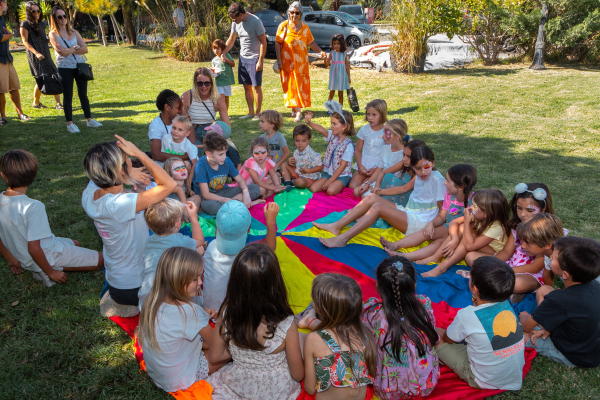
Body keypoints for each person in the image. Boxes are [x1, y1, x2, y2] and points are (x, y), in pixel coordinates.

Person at [82, 136, 176, 312]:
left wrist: (128, 174)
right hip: (134, 287)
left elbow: (98, 168)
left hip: (117, 281)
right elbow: (168, 185)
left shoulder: (89, 195)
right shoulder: (119, 204)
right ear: (120, 170)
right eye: (127, 160)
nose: (130, 161)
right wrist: (140, 154)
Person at [207, 242, 304, 399]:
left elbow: (215, 357)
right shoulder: (286, 323)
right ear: (275, 282)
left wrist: (241, 353)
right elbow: (298, 374)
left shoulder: (227, 313)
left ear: (235, 281)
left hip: (237, 386)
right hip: (277, 391)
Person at [0, 149, 103, 287]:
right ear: (33, 176)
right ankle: (44, 270)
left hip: (24, 255)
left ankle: (42, 267)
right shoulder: (33, 207)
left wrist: (11, 259)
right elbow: (34, 249)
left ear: (3, 176)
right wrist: (51, 272)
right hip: (47, 255)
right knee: (104, 259)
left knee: (76, 243)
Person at [313, 145, 445, 247]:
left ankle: (342, 239)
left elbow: (442, 214)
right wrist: (379, 192)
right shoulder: (421, 175)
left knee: (377, 208)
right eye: (417, 168)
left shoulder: (437, 180)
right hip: (409, 213)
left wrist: (431, 225)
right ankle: (336, 226)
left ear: (433, 162)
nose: (422, 172)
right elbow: (403, 188)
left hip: (419, 223)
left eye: (426, 166)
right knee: (371, 198)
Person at [435, 256, 525, 390]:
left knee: (433, 334)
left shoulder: (467, 315)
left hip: (484, 380)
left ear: (475, 289)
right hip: (513, 375)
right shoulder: (506, 305)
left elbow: (448, 339)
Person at [139, 247, 217, 393]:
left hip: (159, 374)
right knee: (226, 351)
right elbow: (215, 345)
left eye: (201, 276)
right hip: (179, 379)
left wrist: (202, 313)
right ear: (177, 279)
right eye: (195, 279)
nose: (200, 282)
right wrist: (224, 324)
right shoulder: (190, 311)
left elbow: (177, 321)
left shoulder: (152, 299)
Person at [361, 256, 439, 399]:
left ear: (378, 287)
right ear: (414, 285)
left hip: (388, 393)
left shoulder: (373, 313)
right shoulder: (425, 304)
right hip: (426, 386)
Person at [519, 236, 600, 368]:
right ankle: (545, 327)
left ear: (566, 274)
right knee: (544, 289)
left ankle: (544, 328)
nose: (550, 257)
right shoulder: (594, 284)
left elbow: (526, 327)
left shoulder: (559, 300)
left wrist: (524, 318)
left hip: (574, 355)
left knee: (516, 334)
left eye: (554, 258)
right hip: (589, 344)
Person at [382, 164, 477, 263]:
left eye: (448, 181)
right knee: (426, 233)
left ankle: (407, 256)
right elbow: (442, 216)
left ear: (460, 187)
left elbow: (473, 226)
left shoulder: (474, 202)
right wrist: (431, 223)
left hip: (462, 235)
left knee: (439, 242)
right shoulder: (449, 196)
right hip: (449, 228)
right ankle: (396, 245)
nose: (445, 183)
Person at [302, 273, 376, 399]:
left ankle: (309, 319)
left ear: (322, 310)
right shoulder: (366, 333)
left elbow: (309, 389)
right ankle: (310, 320)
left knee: (299, 338)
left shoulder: (313, 339)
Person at [202, 201, 279, 312]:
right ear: (249, 229)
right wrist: (270, 222)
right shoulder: (247, 257)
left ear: (217, 230)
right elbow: (270, 249)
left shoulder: (211, 247)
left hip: (208, 310)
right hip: (235, 317)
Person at [420, 188, 510, 278]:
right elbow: (453, 223)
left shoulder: (496, 227)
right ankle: (437, 256)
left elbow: (469, 246)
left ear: (486, 213)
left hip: (496, 257)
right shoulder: (481, 216)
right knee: (463, 229)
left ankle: (442, 267)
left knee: (469, 250)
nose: (471, 208)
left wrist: (467, 222)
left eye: (474, 206)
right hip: (481, 249)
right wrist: (455, 238)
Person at [488, 183, 557, 292]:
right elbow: (506, 252)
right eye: (519, 208)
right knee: (472, 257)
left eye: (530, 210)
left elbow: (535, 267)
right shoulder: (516, 227)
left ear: (543, 209)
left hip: (530, 274)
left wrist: (504, 270)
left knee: (517, 284)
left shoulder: (544, 233)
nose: (522, 214)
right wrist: (490, 265)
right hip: (512, 265)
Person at [138, 199, 205, 309]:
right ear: (178, 223)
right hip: (168, 305)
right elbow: (199, 241)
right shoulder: (179, 240)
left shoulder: (148, 241)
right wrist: (193, 217)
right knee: (197, 300)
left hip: (146, 303)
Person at [48, 6, 101, 133]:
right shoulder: (53, 34)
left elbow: (85, 49)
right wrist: (76, 47)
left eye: (64, 16)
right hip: (64, 68)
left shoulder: (74, 32)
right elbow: (62, 53)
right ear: (54, 19)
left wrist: (70, 49)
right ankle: (70, 123)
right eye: (59, 17)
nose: (63, 19)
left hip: (79, 66)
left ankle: (89, 120)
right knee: (68, 96)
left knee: (83, 94)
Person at [275, 2, 326, 122]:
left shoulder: (305, 27)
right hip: (287, 62)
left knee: (299, 85)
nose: (294, 15)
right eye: (292, 12)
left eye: (297, 13)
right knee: (290, 85)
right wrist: (278, 59)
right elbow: (278, 42)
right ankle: (295, 109)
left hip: (302, 63)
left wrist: (320, 51)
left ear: (300, 14)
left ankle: (298, 111)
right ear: (289, 13)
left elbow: (311, 42)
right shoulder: (284, 26)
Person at [191, 132, 262, 215]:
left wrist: (246, 194)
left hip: (224, 191)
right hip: (209, 197)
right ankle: (240, 203)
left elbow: (240, 180)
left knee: (255, 188)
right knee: (210, 206)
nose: (224, 156)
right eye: (220, 154)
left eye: (225, 152)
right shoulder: (201, 165)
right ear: (209, 154)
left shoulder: (226, 160)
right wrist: (225, 200)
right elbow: (206, 194)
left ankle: (234, 204)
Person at [223, 3, 267, 120]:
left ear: (241, 14)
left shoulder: (255, 22)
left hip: (254, 58)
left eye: (234, 18)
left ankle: (258, 113)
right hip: (243, 58)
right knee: (246, 86)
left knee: (256, 86)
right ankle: (251, 112)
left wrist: (260, 61)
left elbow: (263, 42)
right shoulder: (235, 22)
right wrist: (223, 52)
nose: (232, 20)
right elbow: (231, 39)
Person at [304, 104, 355, 196]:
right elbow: (321, 129)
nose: (331, 126)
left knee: (330, 191)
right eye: (331, 123)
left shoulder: (348, 145)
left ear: (344, 126)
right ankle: (332, 183)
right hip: (328, 173)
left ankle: (340, 184)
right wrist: (309, 123)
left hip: (342, 176)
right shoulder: (331, 135)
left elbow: (342, 167)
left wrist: (330, 181)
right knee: (313, 189)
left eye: (334, 124)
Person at [20, 1, 62, 110]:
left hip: (46, 54)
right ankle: (36, 102)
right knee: (41, 78)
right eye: (33, 11)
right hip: (35, 55)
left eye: (38, 10)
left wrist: (52, 41)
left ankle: (58, 103)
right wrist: (36, 53)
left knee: (53, 74)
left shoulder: (42, 24)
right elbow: (25, 41)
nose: (36, 13)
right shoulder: (25, 24)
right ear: (29, 12)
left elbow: (44, 39)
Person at [354, 118, 409, 199]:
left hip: (392, 184)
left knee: (366, 197)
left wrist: (375, 186)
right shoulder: (385, 148)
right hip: (381, 179)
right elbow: (379, 170)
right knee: (356, 191)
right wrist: (367, 183)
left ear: (397, 136)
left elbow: (387, 173)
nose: (383, 136)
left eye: (386, 133)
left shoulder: (404, 154)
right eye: (383, 132)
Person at [182, 67, 230, 156]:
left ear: (211, 83)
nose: (204, 86)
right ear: (195, 84)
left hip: (210, 132)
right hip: (192, 130)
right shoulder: (187, 96)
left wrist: (219, 138)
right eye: (200, 83)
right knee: (195, 152)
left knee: (227, 152)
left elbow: (227, 126)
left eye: (207, 83)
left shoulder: (217, 99)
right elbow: (183, 121)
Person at [514, 213, 567, 291]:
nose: (522, 246)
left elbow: (577, 286)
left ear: (547, 245)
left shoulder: (566, 259)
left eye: (528, 242)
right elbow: (548, 277)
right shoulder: (548, 253)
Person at [0, 0, 30, 125]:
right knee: (1, 90)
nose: (7, 4)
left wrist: (7, 34)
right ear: (1, 3)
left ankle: (20, 113)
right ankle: (2, 117)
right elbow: (1, 37)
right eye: (5, 2)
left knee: (14, 86)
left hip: (7, 57)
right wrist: (10, 34)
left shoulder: (1, 18)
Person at [349, 99, 387, 190]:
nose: (370, 118)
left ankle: (369, 180)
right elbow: (358, 150)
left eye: (374, 115)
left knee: (364, 188)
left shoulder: (386, 131)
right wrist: (359, 165)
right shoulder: (364, 130)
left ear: (382, 115)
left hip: (378, 166)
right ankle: (364, 179)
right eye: (368, 114)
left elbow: (387, 153)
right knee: (352, 186)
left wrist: (376, 169)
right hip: (364, 165)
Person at [376, 139, 425, 206]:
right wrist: (377, 186)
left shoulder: (421, 173)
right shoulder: (403, 164)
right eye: (404, 155)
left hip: (409, 202)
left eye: (408, 156)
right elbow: (383, 173)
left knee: (375, 202)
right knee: (388, 176)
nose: (404, 158)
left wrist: (380, 192)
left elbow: (403, 189)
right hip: (397, 195)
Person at [281, 124, 323, 189]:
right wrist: (290, 162)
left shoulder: (313, 154)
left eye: (304, 141)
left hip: (308, 178)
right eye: (297, 140)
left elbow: (321, 167)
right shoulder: (296, 152)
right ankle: (288, 182)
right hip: (299, 174)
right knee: (284, 164)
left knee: (300, 182)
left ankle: (293, 182)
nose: (300, 143)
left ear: (309, 140)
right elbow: (297, 165)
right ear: (294, 139)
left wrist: (308, 171)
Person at [149, 89, 184, 163]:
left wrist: (186, 118)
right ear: (167, 107)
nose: (180, 111)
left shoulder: (177, 120)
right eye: (178, 108)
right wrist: (183, 157)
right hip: (163, 164)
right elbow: (156, 155)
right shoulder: (156, 125)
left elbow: (192, 140)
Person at [325, 33, 351, 107]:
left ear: (342, 44)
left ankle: (340, 109)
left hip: (342, 76)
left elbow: (347, 65)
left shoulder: (344, 54)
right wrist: (325, 59)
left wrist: (349, 76)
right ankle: (329, 108)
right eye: (334, 43)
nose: (336, 45)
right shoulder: (332, 53)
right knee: (332, 92)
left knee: (340, 93)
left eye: (338, 43)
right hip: (333, 75)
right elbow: (327, 64)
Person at [211, 39, 235, 111]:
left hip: (227, 81)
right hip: (219, 82)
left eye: (218, 48)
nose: (216, 51)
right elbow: (213, 71)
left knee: (227, 98)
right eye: (214, 49)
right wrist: (214, 73)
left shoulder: (227, 55)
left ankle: (226, 113)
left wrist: (227, 61)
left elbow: (233, 64)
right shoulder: (214, 60)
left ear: (222, 48)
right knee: (221, 98)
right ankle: (222, 112)